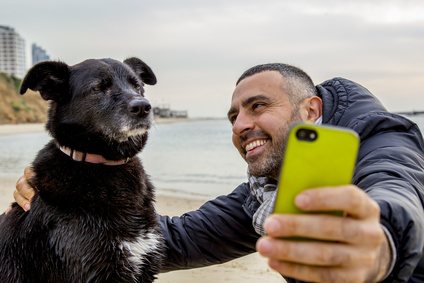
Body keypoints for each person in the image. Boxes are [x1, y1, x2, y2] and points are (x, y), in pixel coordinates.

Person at [9, 63, 424, 282]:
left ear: (311, 110)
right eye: (233, 116)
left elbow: (398, 188)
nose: (241, 125)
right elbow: (179, 238)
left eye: (258, 106)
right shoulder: (263, 195)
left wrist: (382, 246)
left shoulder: (383, 139)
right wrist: (64, 202)